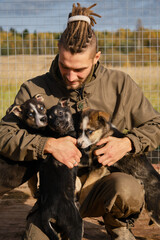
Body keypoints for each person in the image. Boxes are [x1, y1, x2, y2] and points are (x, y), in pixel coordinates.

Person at [0, 3, 160, 240]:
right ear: (58, 50)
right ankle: (46, 218)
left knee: (127, 190)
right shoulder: (33, 88)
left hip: (100, 187)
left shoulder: (120, 84)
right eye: (65, 66)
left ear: (96, 57)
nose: (70, 76)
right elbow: (4, 134)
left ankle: (117, 223)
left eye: (79, 70)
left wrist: (127, 143)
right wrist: (46, 145)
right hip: (55, 194)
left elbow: (155, 126)